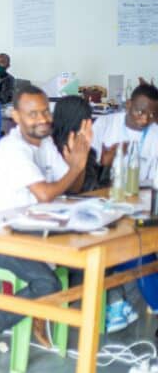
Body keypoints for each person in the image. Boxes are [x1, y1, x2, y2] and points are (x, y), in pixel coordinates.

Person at [0, 85, 90, 370]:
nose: (42, 119)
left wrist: (78, 163)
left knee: (86, 259)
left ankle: (37, 310)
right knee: (47, 283)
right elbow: (45, 193)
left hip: (35, 231)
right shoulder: (12, 149)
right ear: (16, 116)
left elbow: (71, 186)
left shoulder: (45, 142)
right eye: (33, 114)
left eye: (45, 112)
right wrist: (75, 168)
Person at [51, 95, 139, 332]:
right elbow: (70, 193)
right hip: (62, 227)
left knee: (116, 240)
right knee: (103, 248)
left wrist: (105, 164)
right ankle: (114, 302)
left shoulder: (85, 149)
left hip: (82, 219)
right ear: (75, 123)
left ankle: (115, 302)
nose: (92, 126)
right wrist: (78, 165)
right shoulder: (55, 150)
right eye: (87, 121)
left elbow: (93, 189)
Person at [90, 83, 158, 183]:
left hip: (140, 190)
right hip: (104, 187)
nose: (145, 120)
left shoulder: (155, 133)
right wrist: (105, 161)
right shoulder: (104, 125)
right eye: (140, 112)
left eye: (152, 115)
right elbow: (88, 168)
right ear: (128, 104)